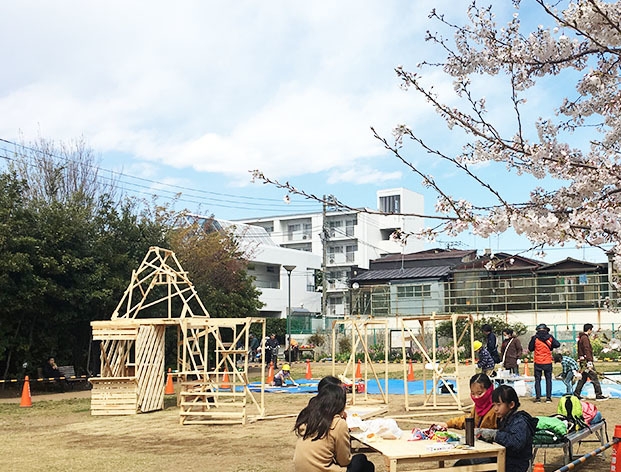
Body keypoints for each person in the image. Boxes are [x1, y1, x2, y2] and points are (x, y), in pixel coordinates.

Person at [293, 383, 375, 472]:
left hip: (302, 468)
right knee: (363, 461)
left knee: (361, 461)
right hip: (322, 469)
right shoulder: (338, 423)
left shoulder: (309, 417)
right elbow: (344, 461)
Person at [475, 385, 538, 472]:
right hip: (502, 459)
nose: (495, 409)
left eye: (499, 405)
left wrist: (494, 435)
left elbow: (516, 443)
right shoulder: (504, 419)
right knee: (466, 462)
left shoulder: (520, 421)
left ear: (511, 404)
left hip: (514, 465)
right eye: (494, 405)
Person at [574, 323, 608, 400]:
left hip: (583, 361)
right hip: (586, 361)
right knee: (594, 377)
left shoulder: (580, 337)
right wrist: (589, 360)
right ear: (589, 330)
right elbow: (587, 349)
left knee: (583, 378)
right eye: (591, 330)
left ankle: (576, 393)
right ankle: (599, 395)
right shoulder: (585, 338)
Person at [527, 323, 560, 403]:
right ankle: (548, 398)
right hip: (547, 362)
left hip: (538, 362)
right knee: (548, 380)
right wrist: (550, 346)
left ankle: (538, 398)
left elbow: (530, 348)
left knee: (537, 380)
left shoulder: (535, 338)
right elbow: (557, 344)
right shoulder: (550, 337)